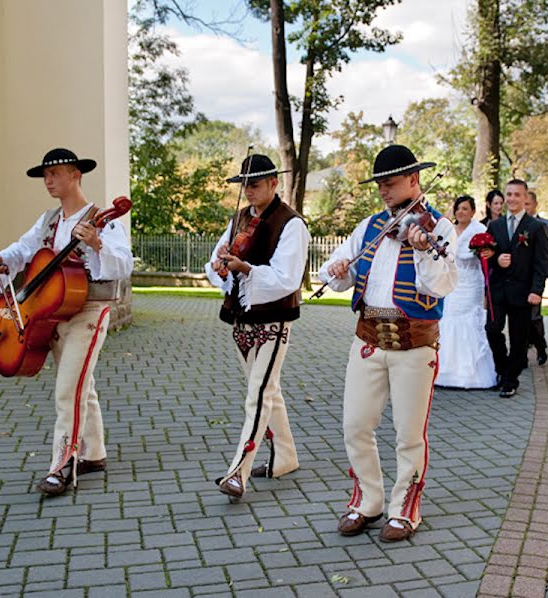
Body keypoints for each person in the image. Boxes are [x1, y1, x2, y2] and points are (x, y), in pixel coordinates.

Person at [318, 144, 457, 542]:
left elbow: (442, 285)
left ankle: (405, 508)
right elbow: (344, 277)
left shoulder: (438, 229)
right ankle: (368, 501)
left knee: (409, 434)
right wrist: (338, 269)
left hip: (415, 344)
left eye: (391, 183)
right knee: (355, 425)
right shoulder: (369, 226)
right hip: (367, 340)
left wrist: (422, 250)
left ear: (414, 180)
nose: (383, 190)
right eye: (380, 184)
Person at [0, 148, 133, 496]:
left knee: (69, 388)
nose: (48, 181)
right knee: (82, 383)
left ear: (75, 176)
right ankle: (94, 455)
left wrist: (97, 243)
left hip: (89, 312)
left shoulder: (103, 219)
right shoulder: (49, 220)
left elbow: (124, 264)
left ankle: (63, 464)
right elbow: (24, 249)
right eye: (45, 176)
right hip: (54, 313)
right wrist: (4, 260)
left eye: (55, 174)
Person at [205, 154, 310, 501]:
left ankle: (239, 470)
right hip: (241, 318)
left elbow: (287, 278)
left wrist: (246, 268)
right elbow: (216, 261)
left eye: (255, 184)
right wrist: (221, 266)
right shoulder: (238, 219)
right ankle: (285, 458)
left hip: (274, 319)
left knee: (258, 394)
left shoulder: (291, 223)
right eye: (245, 185)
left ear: (273, 183)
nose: (248, 191)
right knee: (268, 391)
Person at [483, 180, 548, 397]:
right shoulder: (495, 226)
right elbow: (486, 256)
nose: (512, 199)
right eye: (509, 194)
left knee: (519, 337)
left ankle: (511, 380)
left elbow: (542, 262)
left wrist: (536, 291)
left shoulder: (535, 227)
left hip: (523, 291)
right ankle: (503, 369)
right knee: (492, 330)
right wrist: (495, 260)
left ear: (524, 198)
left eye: (517, 195)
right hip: (498, 289)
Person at [435, 195, 497, 389]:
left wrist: (488, 253)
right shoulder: (448, 230)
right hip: (451, 282)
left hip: (471, 283)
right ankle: (446, 371)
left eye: (465, 209)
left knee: (468, 322)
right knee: (448, 320)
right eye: (458, 208)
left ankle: (472, 373)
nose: (461, 212)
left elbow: (487, 255)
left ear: (472, 211)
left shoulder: (479, 230)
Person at [525, 190, 548, 365]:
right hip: (517, 277)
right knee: (519, 316)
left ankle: (540, 346)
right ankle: (521, 352)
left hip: (536, 275)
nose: (525, 208)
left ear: (535, 205)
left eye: (528, 204)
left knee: (533, 316)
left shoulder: (546, 225)